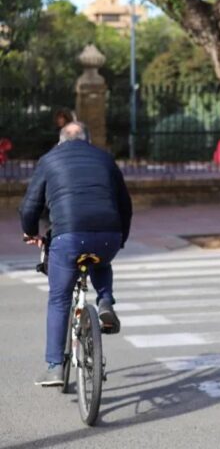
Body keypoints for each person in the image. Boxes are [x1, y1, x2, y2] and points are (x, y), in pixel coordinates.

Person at [19, 121, 132, 387]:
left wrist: (30, 231)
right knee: (100, 258)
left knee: (59, 299)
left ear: (60, 141)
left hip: (69, 236)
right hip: (109, 234)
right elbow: (125, 205)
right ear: (87, 140)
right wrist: (120, 239)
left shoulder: (49, 160)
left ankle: (55, 366)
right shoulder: (105, 159)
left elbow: (30, 205)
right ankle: (105, 302)